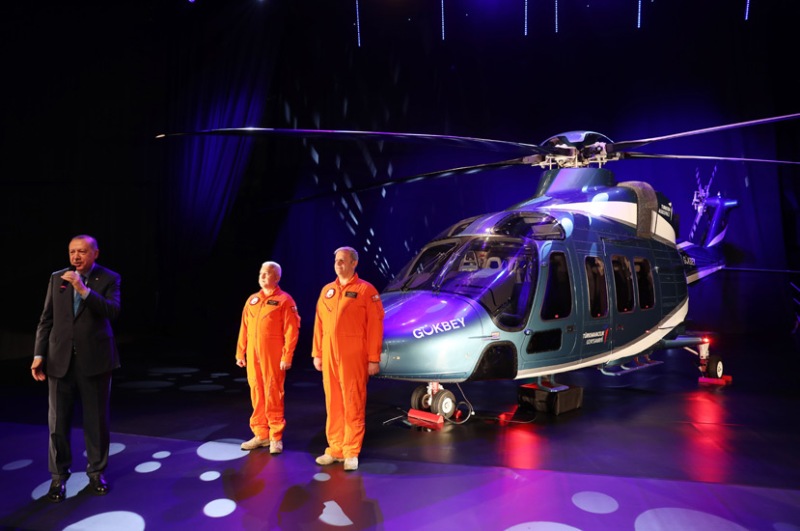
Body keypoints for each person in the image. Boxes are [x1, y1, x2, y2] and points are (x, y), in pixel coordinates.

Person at [31, 235, 121, 502]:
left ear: (95, 253)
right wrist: (39, 354)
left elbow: (112, 311)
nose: (76, 257)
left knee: (96, 422)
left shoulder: (109, 278)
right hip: (59, 361)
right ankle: (58, 478)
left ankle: (96, 473)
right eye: (72, 252)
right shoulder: (57, 278)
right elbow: (46, 320)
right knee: (57, 424)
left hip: (95, 361)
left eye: (82, 251)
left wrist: (83, 290)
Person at [312, 246, 384, 471]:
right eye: (336, 260)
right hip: (329, 354)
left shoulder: (366, 290)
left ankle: (351, 451)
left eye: (343, 260)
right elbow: (319, 324)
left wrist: (373, 358)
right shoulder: (327, 291)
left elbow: (375, 326)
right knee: (333, 402)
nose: (338, 264)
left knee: (353, 400)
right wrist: (317, 353)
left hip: (353, 354)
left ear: (354, 263)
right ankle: (335, 449)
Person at [236, 261, 300, 454]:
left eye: (267, 273)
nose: (263, 276)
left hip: (273, 355)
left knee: (273, 392)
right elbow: (244, 327)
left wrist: (287, 355)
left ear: (277, 277)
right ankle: (261, 434)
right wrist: (240, 352)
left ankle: (275, 436)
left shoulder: (284, 300)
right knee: (256, 391)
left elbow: (291, 330)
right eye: (261, 273)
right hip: (253, 354)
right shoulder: (252, 300)